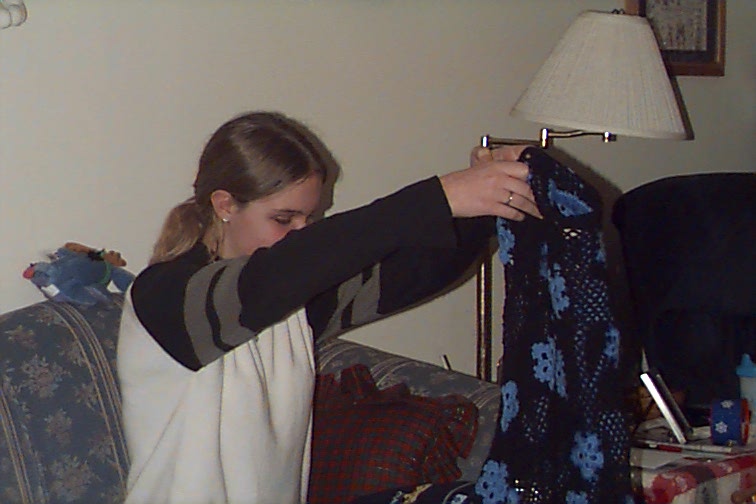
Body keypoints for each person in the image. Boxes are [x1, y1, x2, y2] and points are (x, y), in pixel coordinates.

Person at [116, 111, 541, 504]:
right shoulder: (167, 296)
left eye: (309, 219)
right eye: (284, 219)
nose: (301, 234)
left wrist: (487, 203)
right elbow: (282, 273)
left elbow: (414, 275)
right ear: (225, 205)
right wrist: (438, 197)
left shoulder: (290, 304)